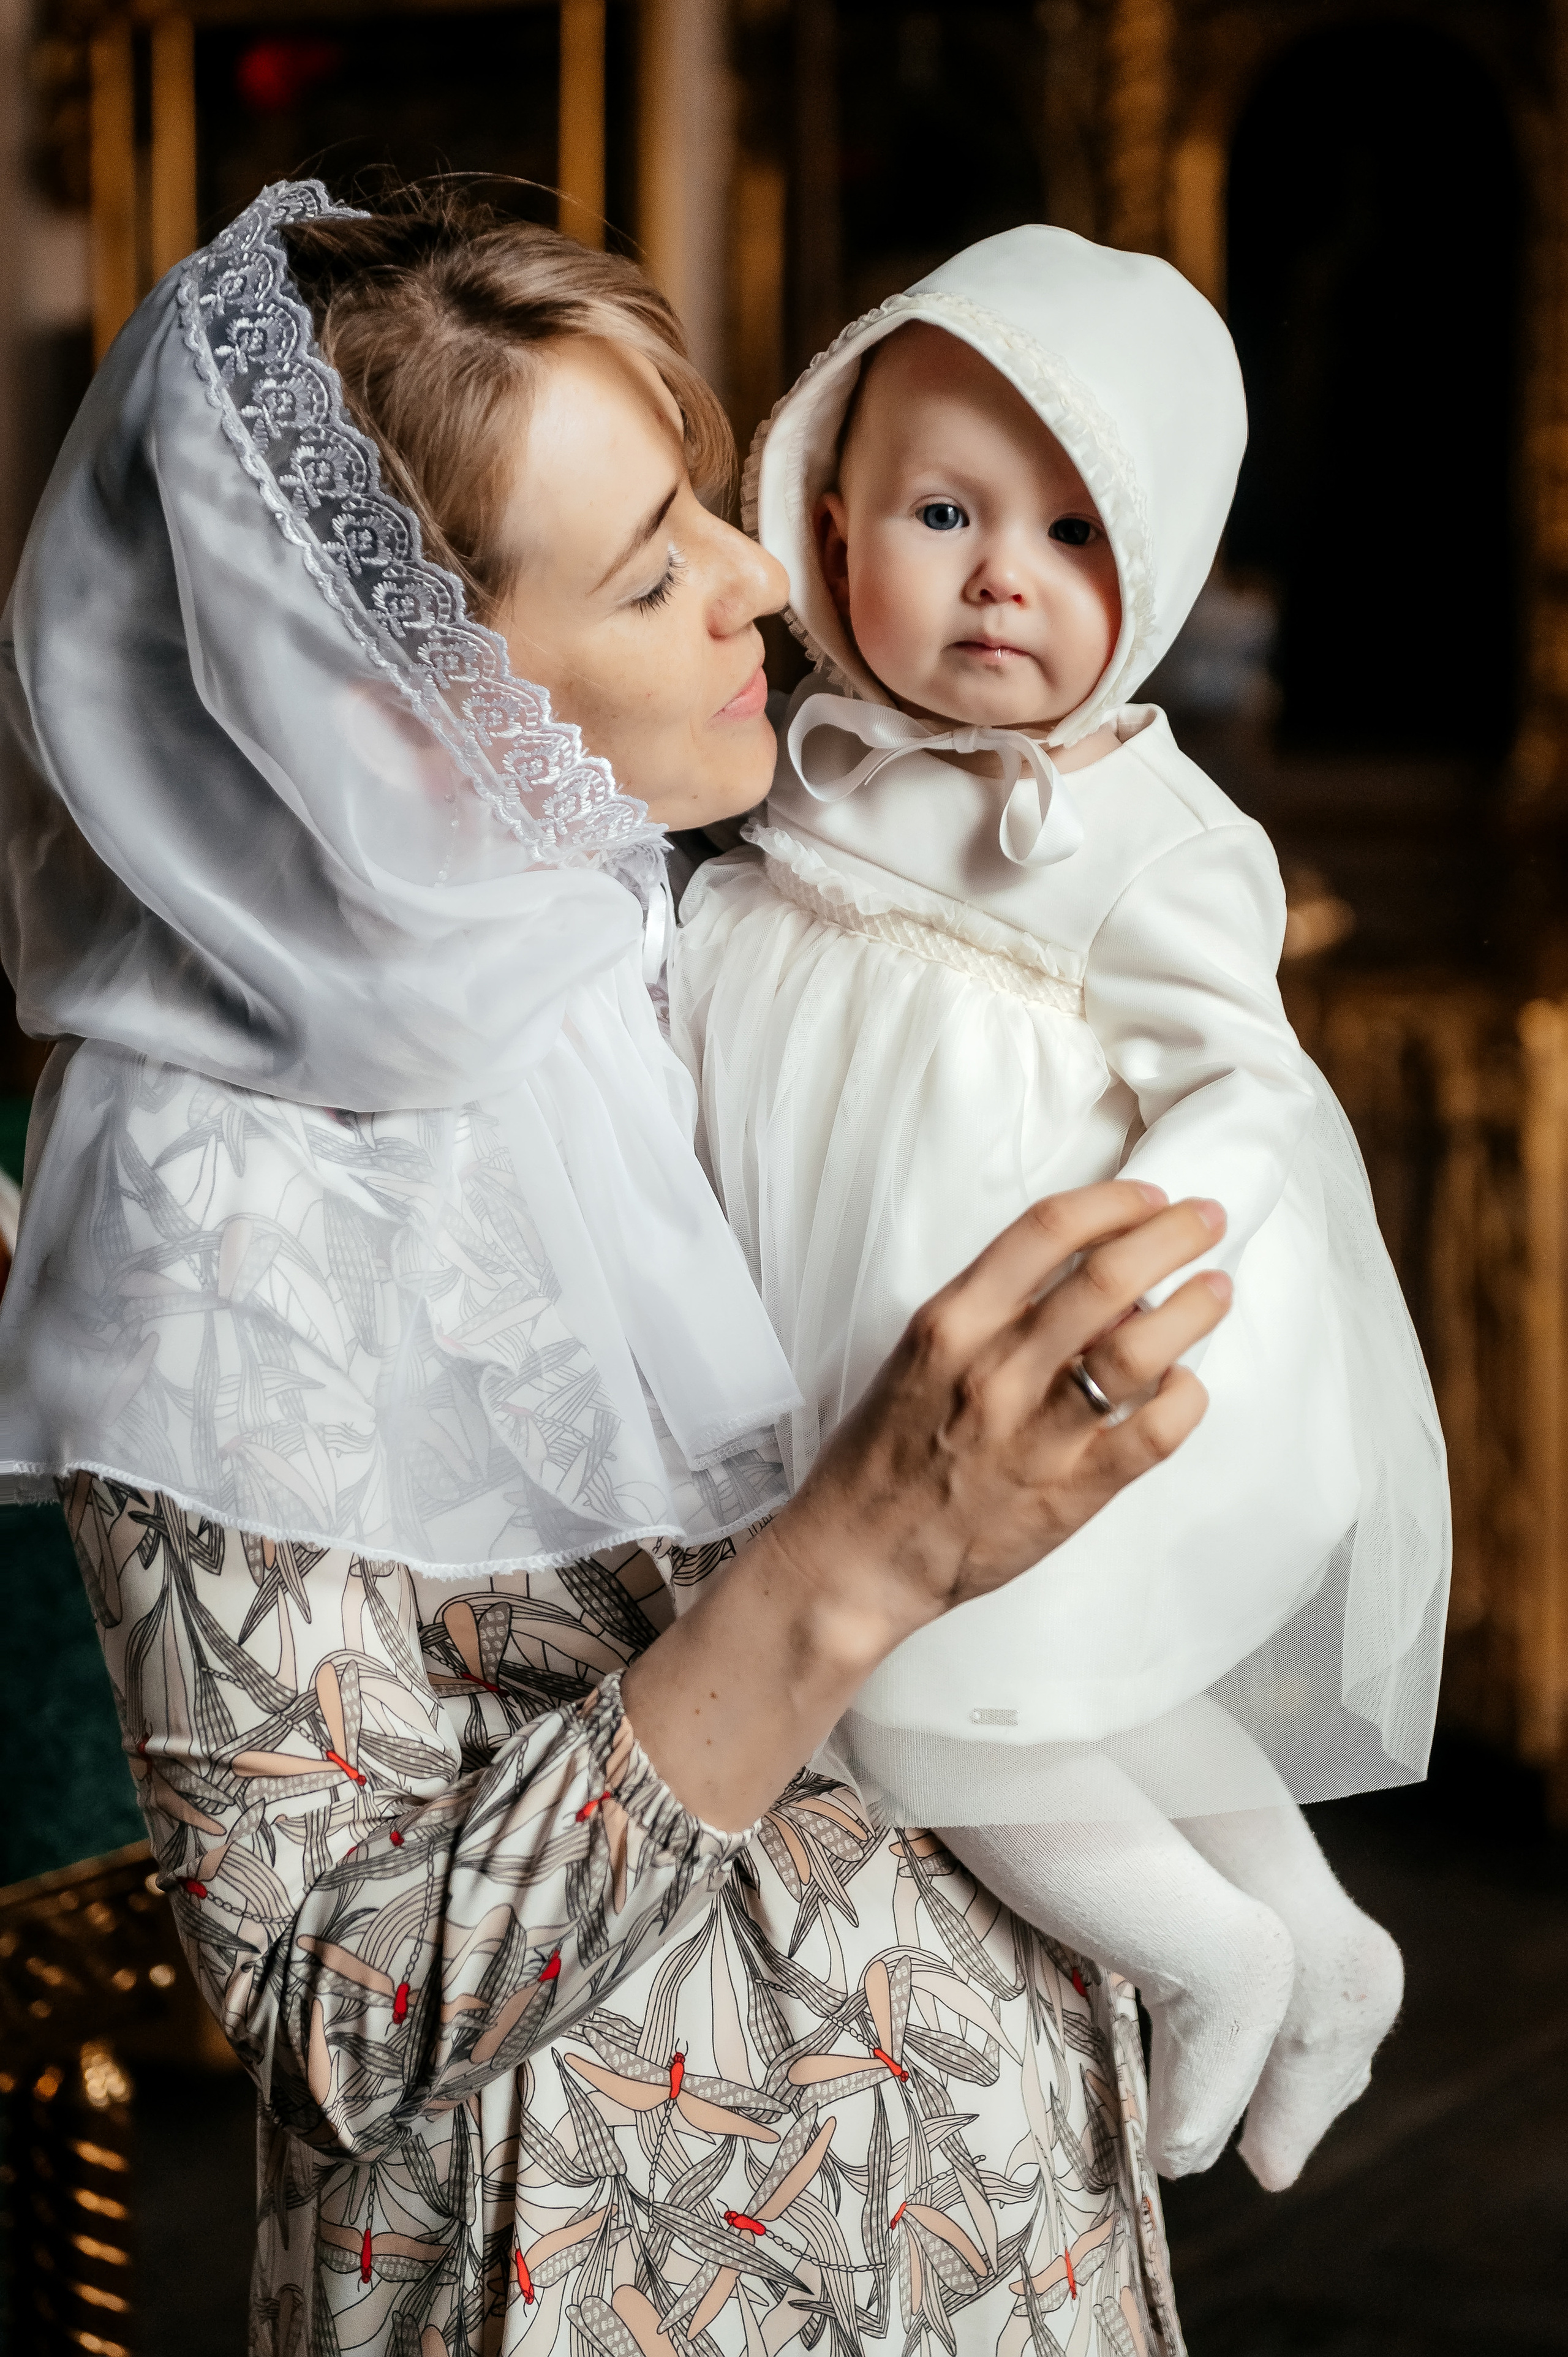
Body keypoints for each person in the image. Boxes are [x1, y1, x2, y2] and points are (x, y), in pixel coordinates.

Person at [0, 183, 1229, 2356]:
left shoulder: (658, 941)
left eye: (711, 497)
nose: (769, 575)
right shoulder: (212, 1198)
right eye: (660, 569)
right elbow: (332, 2019)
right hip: (596, 2274)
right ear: (391, 708)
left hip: (1003, 2210)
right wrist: (841, 1564)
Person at [669, 228, 1450, 2191]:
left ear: (1164, 568)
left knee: (929, 1702)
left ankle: (1219, 1954)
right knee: (1075, 1689)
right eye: (944, 511)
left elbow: (1246, 1085)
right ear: (829, 529)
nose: (1003, 571)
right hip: (829, 1318)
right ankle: (1336, 1953)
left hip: (1039, 1327)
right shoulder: (800, 758)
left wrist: (1136, 1263)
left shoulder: (1150, 830)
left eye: (1077, 533)